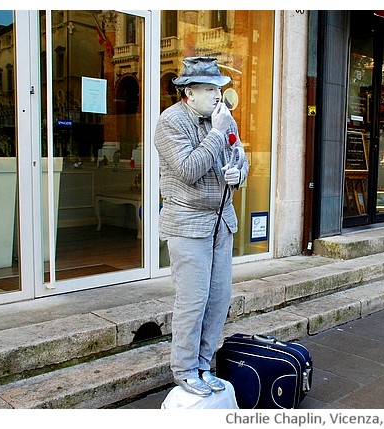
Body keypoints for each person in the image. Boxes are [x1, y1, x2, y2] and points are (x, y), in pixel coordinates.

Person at [154, 57, 249, 397]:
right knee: (192, 300)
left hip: (221, 221)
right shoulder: (170, 123)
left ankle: (204, 363)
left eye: (218, 88)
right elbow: (188, 169)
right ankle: (184, 369)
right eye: (209, 89)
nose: (217, 96)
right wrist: (217, 133)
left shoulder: (222, 117)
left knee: (219, 298)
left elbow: (240, 155)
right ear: (189, 93)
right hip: (188, 222)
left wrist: (239, 173)